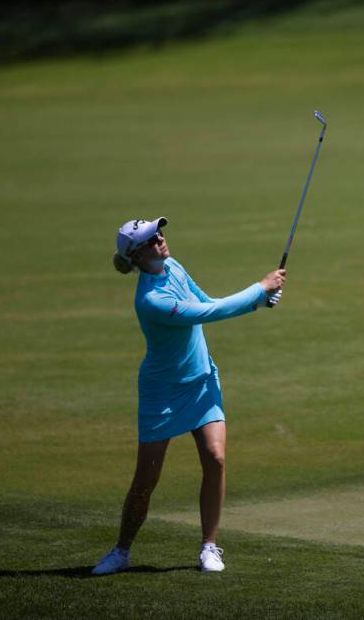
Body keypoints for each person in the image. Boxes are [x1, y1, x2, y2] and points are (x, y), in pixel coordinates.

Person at [92, 217, 285, 575]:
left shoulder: (173, 266)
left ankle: (209, 547)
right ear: (135, 255)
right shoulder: (151, 300)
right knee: (146, 479)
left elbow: (207, 300)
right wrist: (259, 288)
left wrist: (258, 302)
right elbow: (208, 313)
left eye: (159, 233)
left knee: (215, 457)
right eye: (151, 239)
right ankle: (121, 551)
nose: (160, 239)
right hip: (162, 393)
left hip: (201, 381)